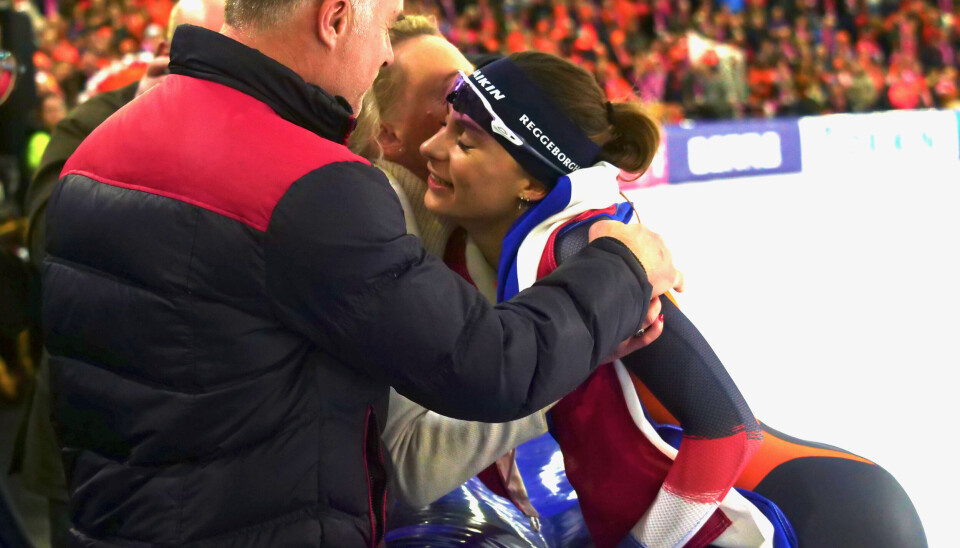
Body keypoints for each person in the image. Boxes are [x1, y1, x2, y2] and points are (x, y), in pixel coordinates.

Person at [40, 2, 683, 548]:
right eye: (382, 27)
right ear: (336, 17)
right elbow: (489, 367)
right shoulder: (307, 183)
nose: (380, 55)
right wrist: (625, 267)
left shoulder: (100, 148)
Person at [356, 26, 925, 548]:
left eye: (466, 125)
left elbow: (727, 427)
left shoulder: (585, 249)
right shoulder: (435, 242)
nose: (441, 139)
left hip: (805, 513)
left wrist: (650, 542)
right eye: (444, 105)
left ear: (530, 175)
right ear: (386, 133)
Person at [10, 2, 225, 547]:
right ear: (165, 52)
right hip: (88, 440)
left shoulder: (237, 131)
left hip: (196, 446)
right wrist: (134, 128)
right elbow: (48, 244)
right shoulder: (90, 122)